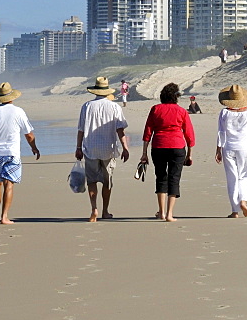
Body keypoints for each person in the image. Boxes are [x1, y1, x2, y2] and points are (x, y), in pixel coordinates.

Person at [0, 82, 41, 225]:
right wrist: (34, 147)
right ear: (12, 97)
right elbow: (28, 134)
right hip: (12, 153)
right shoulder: (19, 111)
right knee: (9, 184)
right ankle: (5, 216)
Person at [75, 77, 130, 222]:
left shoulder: (86, 106)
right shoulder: (114, 107)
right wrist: (125, 147)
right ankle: (105, 211)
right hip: (108, 149)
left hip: (90, 149)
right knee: (107, 181)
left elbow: (81, 130)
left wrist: (78, 147)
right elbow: (120, 130)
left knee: (92, 181)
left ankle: (94, 209)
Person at [140, 82, 195, 222]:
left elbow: (148, 131)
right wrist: (190, 153)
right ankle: (170, 214)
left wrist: (144, 153)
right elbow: (189, 134)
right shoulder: (181, 111)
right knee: (174, 178)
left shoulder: (155, 109)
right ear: (175, 96)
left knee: (160, 177)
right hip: (177, 146)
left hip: (158, 146)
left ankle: (162, 212)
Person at [214, 84, 247, 218]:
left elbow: (221, 132)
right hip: (245, 148)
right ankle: (243, 201)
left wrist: (218, 150)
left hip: (228, 148)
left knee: (232, 178)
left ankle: (235, 211)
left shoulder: (224, 113)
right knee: (244, 176)